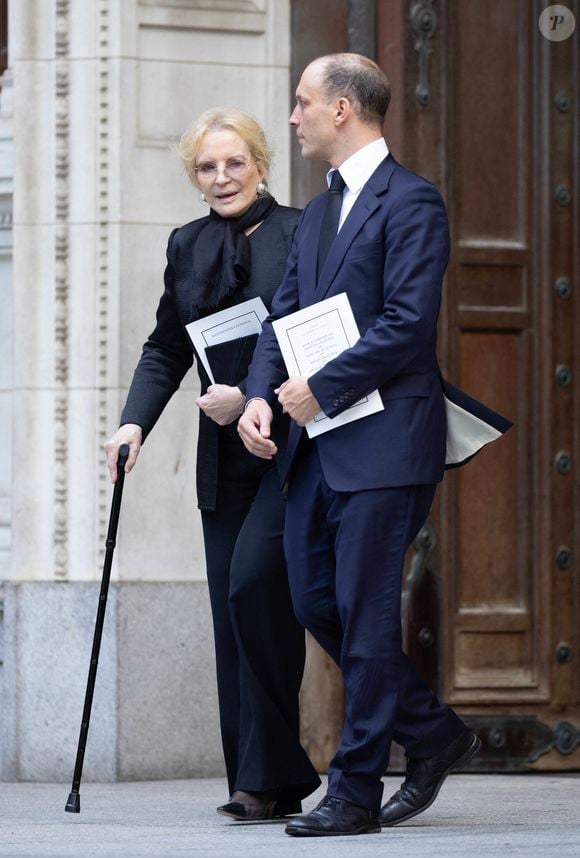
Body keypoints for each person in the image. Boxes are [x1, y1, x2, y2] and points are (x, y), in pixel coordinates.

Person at [238, 54, 511, 837]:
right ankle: (434, 733)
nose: (293, 117)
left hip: (387, 443)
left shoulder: (414, 203)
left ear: (345, 109)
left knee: (363, 617)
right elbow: (280, 316)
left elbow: (406, 324)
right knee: (312, 600)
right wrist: (261, 394)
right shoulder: (319, 212)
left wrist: (321, 387)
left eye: (303, 103)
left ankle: (355, 792)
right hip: (316, 447)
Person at [104, 108, 320, 820]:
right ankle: (260, 780)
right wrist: (134, 422)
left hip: (290, 445)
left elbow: (315, 338)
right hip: (222, 458)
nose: (222, 177)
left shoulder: (303, 231)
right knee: (234, 615)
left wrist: (254, 397)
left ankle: (271, 773)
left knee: (255, 589)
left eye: (235, 163)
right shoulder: (188, 244)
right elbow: (167, 346)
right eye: (207, 167)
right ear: (193, 176)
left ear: (261, 164)